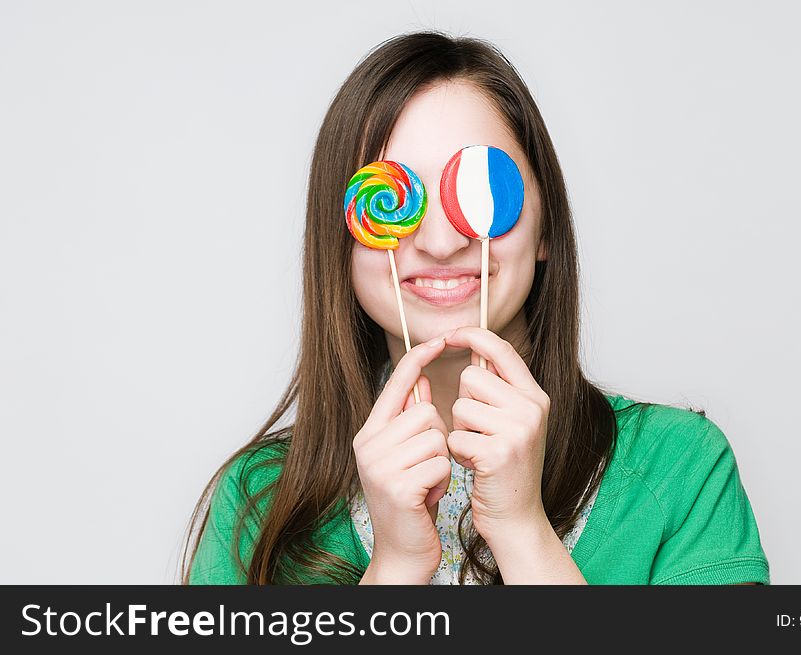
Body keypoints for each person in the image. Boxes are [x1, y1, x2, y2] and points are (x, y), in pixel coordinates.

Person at [181, 31, 770, 585]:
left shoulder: (681, 467)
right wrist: (395, 567)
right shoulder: (257, 502)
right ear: (342, 240)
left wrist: (522, 530)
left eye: (479, 190)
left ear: (545, 229)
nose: (441, 244)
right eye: (396, 194)